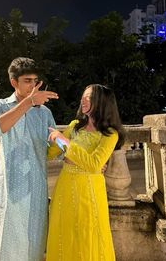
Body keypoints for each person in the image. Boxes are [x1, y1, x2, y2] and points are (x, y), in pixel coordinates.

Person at [0, 57, 59, 261]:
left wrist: (85, 158)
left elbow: (56, 145)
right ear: (14, 82)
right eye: (27, 80)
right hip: (8, 189)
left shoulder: (44, 112)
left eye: (35, 81)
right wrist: (29, 102)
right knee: (3, 245)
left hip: (36, 189)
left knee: (33, 245)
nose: (33, 86)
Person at [46, 84, 125, 261]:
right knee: (63, 233)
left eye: (89, 97)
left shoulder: (110, 134)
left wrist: (66, 144)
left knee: (87, 234)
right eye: (83, 96)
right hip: (64, 188)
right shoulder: (75, 126)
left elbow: (94, 164)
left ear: (102, 102)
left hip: (89, 193)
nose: (83, 100)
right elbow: (51, 154)